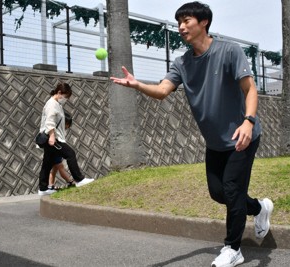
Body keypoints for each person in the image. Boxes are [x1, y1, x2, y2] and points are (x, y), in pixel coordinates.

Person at [110, 2, 273, 267]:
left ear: (204, 22)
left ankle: (233, 248)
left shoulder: (229, 51)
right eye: (179, 23)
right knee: (219, 193)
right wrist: (138, 84)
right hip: (215, 142)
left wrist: (249, 121)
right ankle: (259, 208)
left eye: (186, 21)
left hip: (242, 136)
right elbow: (163, 91)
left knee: (232, 189)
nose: (181, 27)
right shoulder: (182, 63)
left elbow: (250, 89)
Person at [38, 83, 94, 195]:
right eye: (66, 96)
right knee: (70, 154)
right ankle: (79, 179)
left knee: (47, 163)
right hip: (53, 138)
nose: (66, 99)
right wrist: (52, 136)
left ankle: (43, 189)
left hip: (51, 137)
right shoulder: (52, 104)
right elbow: (50, 121)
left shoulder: (56, 103)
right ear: (59, 92)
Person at [48, 112, 76, 190]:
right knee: (60, 167)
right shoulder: (56, 129)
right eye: (67, 123)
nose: (67, 126)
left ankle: (50, 186)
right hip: (55, 150)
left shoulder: (58, 129)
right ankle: (70, 181)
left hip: (56, 150)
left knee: (54, 169)